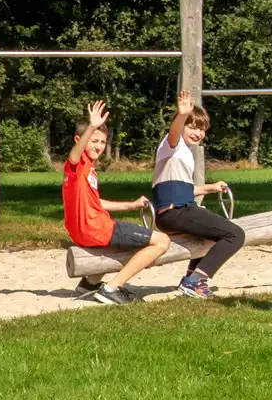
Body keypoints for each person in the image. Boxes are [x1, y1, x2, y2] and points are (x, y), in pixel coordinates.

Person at [64, 100, 171, 306]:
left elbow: (96, 203)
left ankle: (90, 283)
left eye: (102, 142)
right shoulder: (77, 166)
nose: (99, 146)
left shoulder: (88, 169)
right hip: (97, 229)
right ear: (79, 139)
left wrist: (131, 206)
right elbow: (74, 155)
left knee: (131, 243)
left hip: (85, 230)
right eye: (94, 141)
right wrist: (93, 126)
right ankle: (111, 289)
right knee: (162, 241)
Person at [151, 89, 243, 300]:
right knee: (235, 234)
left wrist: (209, 188)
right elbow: (173, 133)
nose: (198, 133)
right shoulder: (171, 146)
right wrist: (182, 114)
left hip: (177, 209)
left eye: (202, 129)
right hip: (175, 211)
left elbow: (180, 188)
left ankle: (191, 279)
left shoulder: (184, 153)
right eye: (192, 127)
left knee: (212, 235)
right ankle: (195, 281)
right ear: (181, 125)